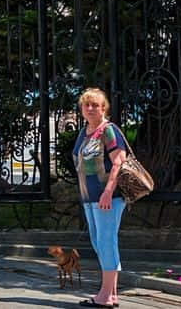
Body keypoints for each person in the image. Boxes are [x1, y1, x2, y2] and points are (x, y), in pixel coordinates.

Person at [77, 87, 130, 307]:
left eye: (95, 105)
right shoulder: (85, 132)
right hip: (89, 198)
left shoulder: (108, 130)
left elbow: (118, 162)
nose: (90, 108)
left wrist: (108, 192)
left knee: (106, 242)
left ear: (103, 108)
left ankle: (105, 296)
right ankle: (111, 294)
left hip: (108, 197)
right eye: (86, 104)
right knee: (99, 243)